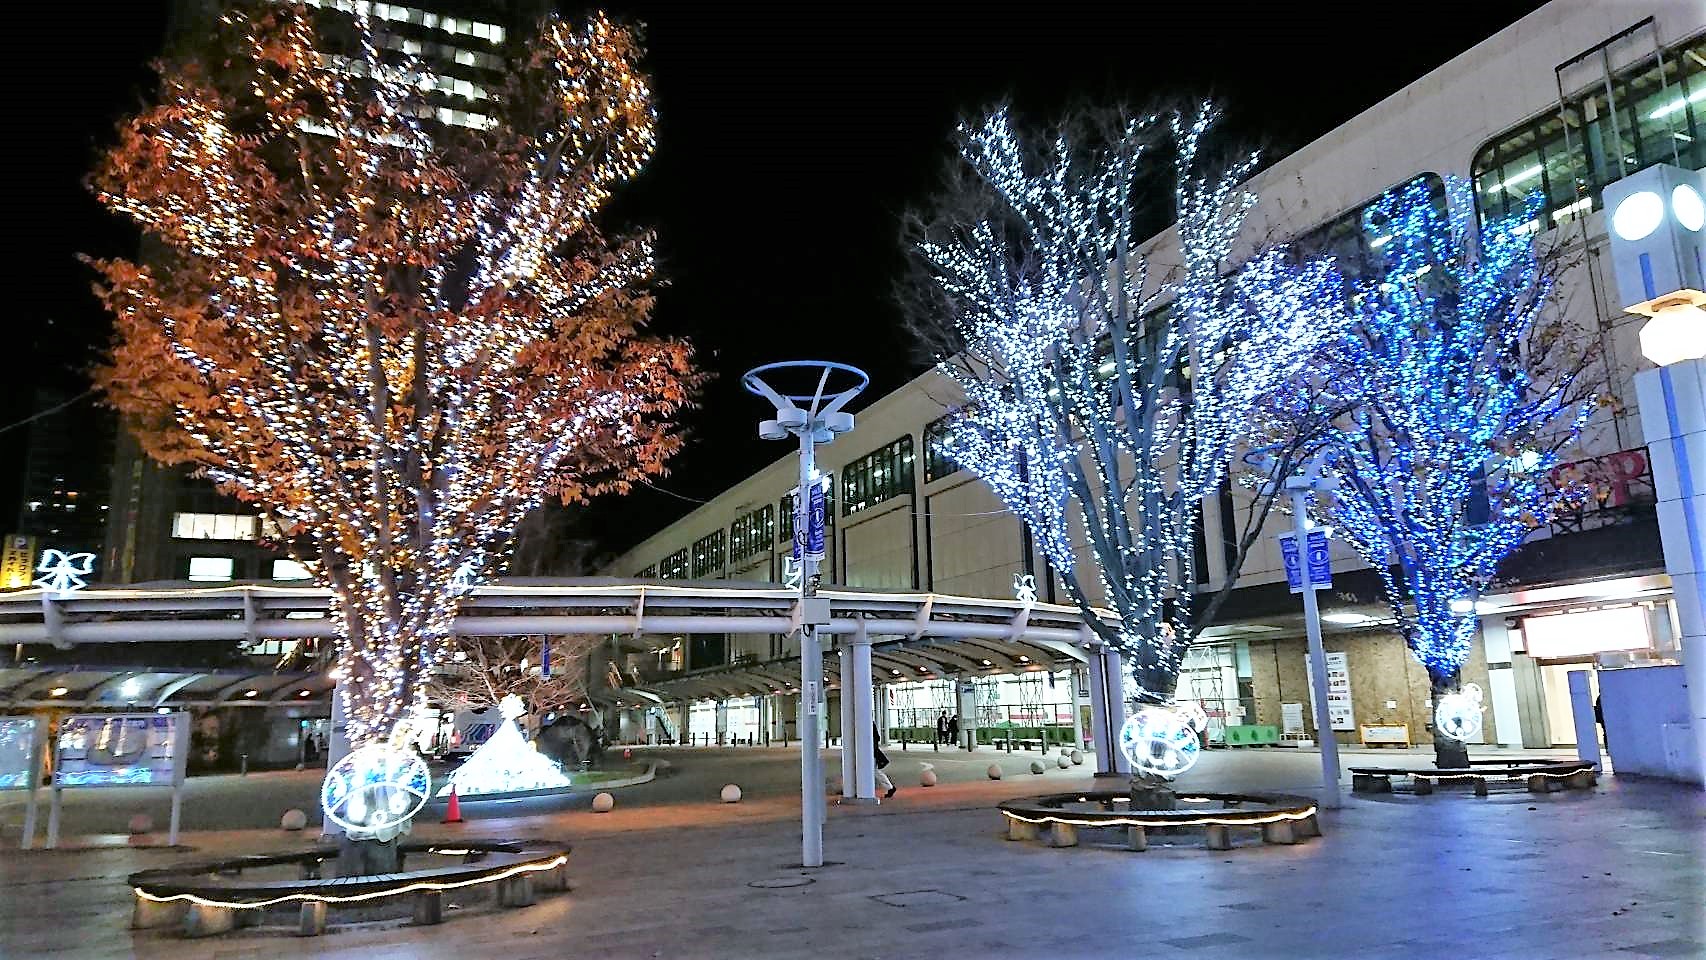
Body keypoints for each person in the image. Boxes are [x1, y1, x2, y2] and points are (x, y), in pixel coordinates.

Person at [873, 723, 896, 799]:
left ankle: (890, 787)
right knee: (875, 772)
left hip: (872, 753)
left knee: (875, 772)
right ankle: (890, 787)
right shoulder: (871, 724)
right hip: (873, 753)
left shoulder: (868, 724)